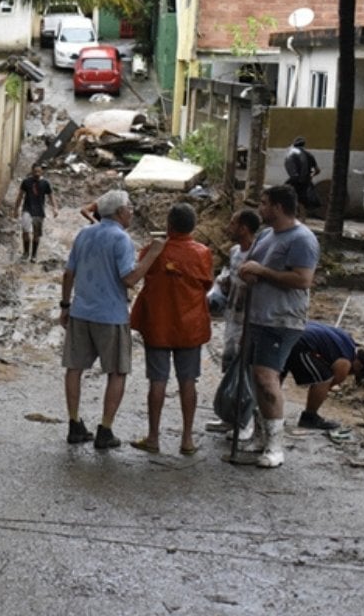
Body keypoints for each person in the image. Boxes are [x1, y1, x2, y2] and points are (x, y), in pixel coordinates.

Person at [60, 189, 166, 449]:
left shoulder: (84, 234)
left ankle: (74, 423)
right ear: (119, 212)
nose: (132, 211)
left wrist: (65, 305)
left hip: (81, 311)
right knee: (117, 371)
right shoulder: (121, 239)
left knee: (74, 368)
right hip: (111, 315)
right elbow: (129, 279)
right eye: (129, 207)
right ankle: (105, 429)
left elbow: (68, 274)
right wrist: (152, 255)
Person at [238, 185, 320, 468]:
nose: (259, 208)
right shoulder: (265, 235)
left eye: (263, 203)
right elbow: (254, 267)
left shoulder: (302, 239)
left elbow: (303, 279)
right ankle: (261, 437)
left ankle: (276, 446)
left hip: (283, 319)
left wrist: (262, 272)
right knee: (256, 378)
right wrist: (247, 273)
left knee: (266, 377)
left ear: (278, 207)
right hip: (259, 317)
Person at [128, 203, 213, 455]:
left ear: (168, 225)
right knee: (188, 381)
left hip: (158, 325)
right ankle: (187, 439)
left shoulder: (152, 251)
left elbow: (138, 274)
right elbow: (207, 285)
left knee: (158, 380)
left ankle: (153, 437)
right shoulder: (202, 253)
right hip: (190, 327)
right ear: (193, 226)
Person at [205, 208, 262, 439]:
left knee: (247, 370)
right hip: (232, 317)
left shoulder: (258, 254)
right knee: (229, 365)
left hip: (249, 319)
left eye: (232, 223)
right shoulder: (234, 251)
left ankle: (246, 421)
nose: (228, 227)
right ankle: (230, 416)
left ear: (244, 228)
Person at [282, 321, 364, 430]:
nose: (350, 374)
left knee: (276, 374)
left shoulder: (347, 341)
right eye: (355, 374)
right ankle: (309, 418)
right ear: (359, 366)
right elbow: (326, 385)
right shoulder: (346, 362)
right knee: (324, 379)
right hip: (299, 343)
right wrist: (330, 386)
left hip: (290, 330)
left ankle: (262, 411)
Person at [13, 164, 59, 262]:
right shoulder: (26, 182)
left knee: (36, 234)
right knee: (25, 231)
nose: (37, 173)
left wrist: (55, 208)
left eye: (39, 171)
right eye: (35, 171)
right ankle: (26, 253)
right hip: (27, 209)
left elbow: (51, 196)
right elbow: (20, 196)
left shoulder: (45, 183)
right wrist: (16, 209)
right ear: (32, 171)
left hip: (39, 211)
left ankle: (34, 255)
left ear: (42, 172)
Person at [284, 136, 321, 216]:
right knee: (302, 202)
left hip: (294, 181)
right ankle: (302, 220)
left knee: (288, 197)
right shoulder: (309, 155)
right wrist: (311, 175)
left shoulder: (291, 154)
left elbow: (290, 168)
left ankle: (293, 217)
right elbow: (317, 170)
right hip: (305, 181)